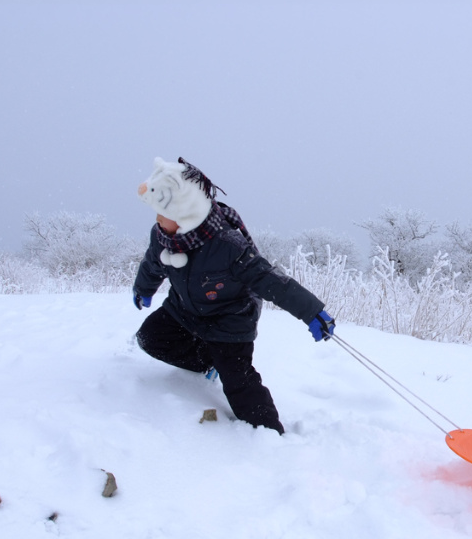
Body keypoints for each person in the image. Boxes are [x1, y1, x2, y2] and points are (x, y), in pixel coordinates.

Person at [131, 157, 335, 435]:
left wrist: (311, 311)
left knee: (238, 381)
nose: (157, 220)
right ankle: (206, 361)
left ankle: (270, 432)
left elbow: (270, 279)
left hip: (229, 321)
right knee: (150, 338)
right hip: (184, 310)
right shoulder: (164, 237)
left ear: (183, 214)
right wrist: (143, 290)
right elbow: (153, 263)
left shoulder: (227, 245)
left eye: (162, 215)